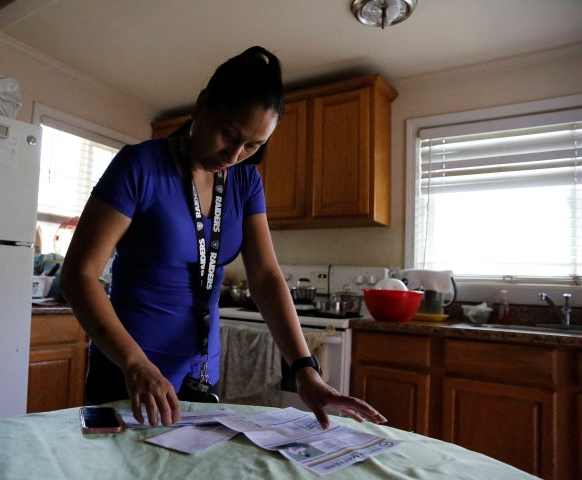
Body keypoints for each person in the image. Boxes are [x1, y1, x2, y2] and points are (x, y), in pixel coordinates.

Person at [61, 46, 386, 429]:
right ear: (202, 105)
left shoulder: (246, 182)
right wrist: (135, 363)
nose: (234, 154)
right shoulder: (139, 166)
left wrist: (304, 370)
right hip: (130, 374)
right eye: (228, 134)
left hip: (201, 377)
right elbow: (79, 275)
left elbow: (265, 277)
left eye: (253, 145)